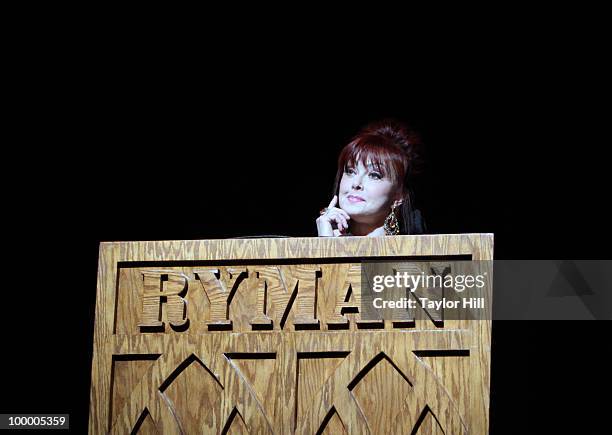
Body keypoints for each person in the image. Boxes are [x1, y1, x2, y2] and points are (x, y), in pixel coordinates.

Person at [316, 120, 426, 237]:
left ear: (399, 196)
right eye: (350, 171)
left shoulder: (415, 252)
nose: (356, 183)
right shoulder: (317, 240)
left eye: (374, 175)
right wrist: (326, 244)